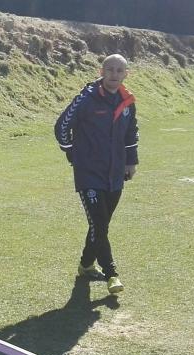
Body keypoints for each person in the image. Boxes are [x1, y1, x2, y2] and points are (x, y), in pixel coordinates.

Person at [54, 53, 139, 295]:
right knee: (100, 224)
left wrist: (131, 163)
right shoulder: (86, 99)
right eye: (109, 69)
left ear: (125, 74)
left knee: (100, 223)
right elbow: (61, 127)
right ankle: (112, 273)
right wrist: (72, 153)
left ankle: (85, 264)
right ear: (101, 72)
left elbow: (131, 134)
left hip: (115, 174)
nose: (114, 74)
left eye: (119, 70)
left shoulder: (128, 101)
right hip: (89, 173)